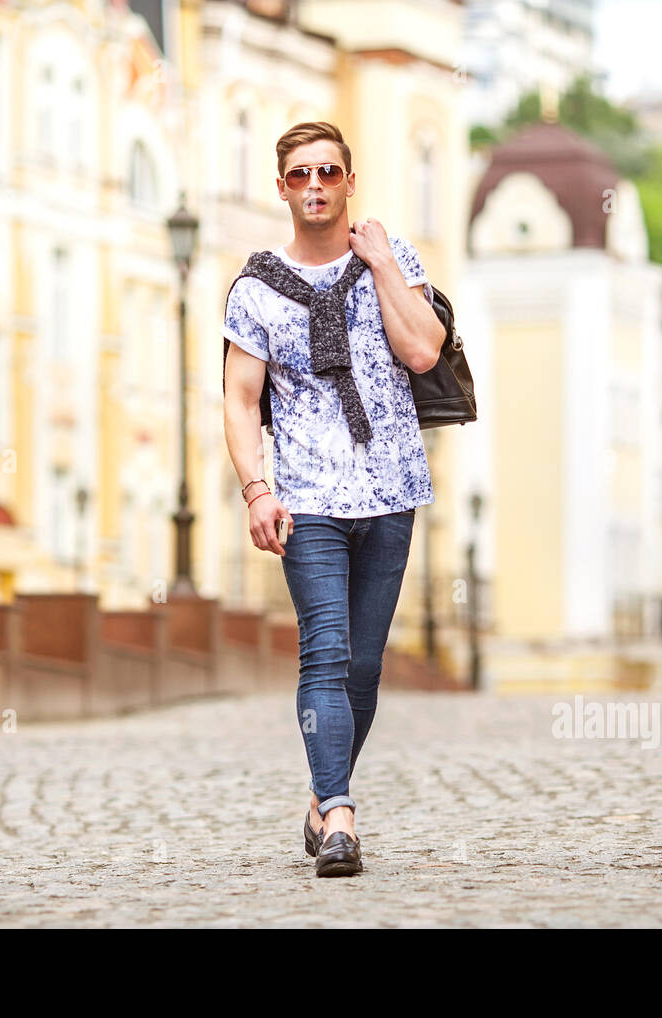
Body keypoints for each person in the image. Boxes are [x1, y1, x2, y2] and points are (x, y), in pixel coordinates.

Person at [221, 121, 444, 877]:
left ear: (351, 182)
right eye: (300, 176)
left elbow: (422, 349)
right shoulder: (255, 288)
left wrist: (380, 262)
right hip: (308, 496)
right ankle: (343, 815)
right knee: (323, 649)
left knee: (364, 667)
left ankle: (320, 801)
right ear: (281, 188)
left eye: (328, 173)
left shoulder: (392, 256)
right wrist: (257, 489)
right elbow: (240, 397)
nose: (315, 186)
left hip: (392, 488)